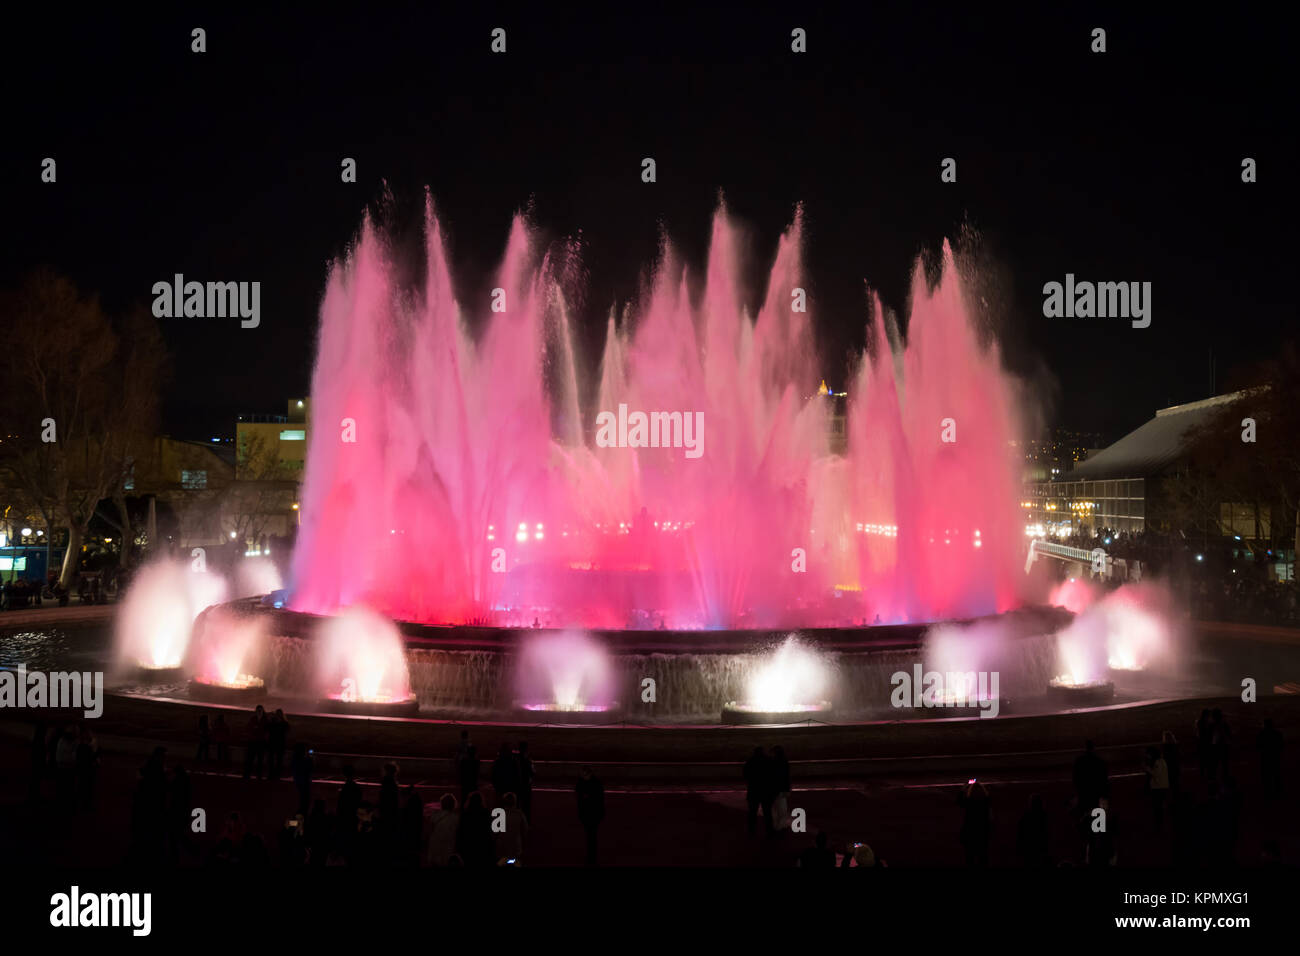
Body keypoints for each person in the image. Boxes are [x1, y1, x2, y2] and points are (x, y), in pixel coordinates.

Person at [957, 780, 992, 867]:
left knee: (970, 859)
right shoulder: (986, 801)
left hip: (969, 833)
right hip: (983, 833)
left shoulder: (969, 802)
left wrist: (964, 787)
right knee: (983, 858)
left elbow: (959, 800)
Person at [456, 791, 494, 868]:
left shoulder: (465, 814)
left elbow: (461, 831)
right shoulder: (486, 813)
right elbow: (489, 831)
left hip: (468, 846)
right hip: (482, 846)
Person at [576, 766, 605, 865]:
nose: (583, 776)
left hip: (592, 814)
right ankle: (591, 856)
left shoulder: (592, 784)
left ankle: (591, 857)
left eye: (584, 775)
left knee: (591, 836)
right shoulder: (587, 783)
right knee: (591, 836)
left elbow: (598, 800)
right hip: (589, 814)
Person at [743, 746, 773, 837]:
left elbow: (746, 774)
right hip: (765, 791)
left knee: (752, 812)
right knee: (767, 813)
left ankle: (751, 831)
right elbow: (772, 774)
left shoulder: (750, 761)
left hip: (754, 790)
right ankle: (769, 830)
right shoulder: (768, 761)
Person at [425, 793, 460, 867]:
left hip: (435, 844)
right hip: (449, 845)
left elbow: (429, 830)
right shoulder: (456, 818)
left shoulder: (435, 816)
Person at [1015, 793, 1050, 866]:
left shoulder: (1026, 816)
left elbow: (1020, 833)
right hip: (1038, 848)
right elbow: (1046, 833)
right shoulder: (1043, 816)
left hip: (1030, 848)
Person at [495, 792, 529, 864]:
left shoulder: (498, 814)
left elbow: (493, 834)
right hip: (516, 849)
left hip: (502, 849)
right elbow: (525, 831)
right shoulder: (520, 814)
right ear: (515, 802)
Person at [1143, 745, 1170, 828]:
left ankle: (1159, 824)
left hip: (1158, 787)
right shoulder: (1162, 761)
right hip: (1163, 786)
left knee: (1158, 807)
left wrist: (1147, 768)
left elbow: (1156, 774)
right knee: (1160, 806)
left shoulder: (1158, 762)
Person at [1257, 718, 1283, 798]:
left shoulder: (1261, 734)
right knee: (1276, 775)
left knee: (1266, 776)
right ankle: (1278, 792)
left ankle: (1267, 793)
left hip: (1265, 757)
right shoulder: (1277, 733)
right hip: (1275, 757)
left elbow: (1258, 746)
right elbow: (1281, 745)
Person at [770, 745, 791, 832]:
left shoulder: (772, 762)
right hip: (781, 789)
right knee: (782, 809)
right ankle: (781, 826)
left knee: (775, 809)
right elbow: (786, 777)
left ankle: (776, 826)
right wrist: (787, 789)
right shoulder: (784, 762)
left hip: (774, 789)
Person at [291, 743, 314, 815]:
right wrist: (310, 758)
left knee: (303, 798)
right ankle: (302, 816)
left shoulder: (295, 759)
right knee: (305, 799)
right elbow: (310, 768)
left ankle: (300, 816)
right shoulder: (304, 760)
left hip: (299, 780)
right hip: (304, 781)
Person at [517, 741, 535, 821]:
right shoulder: (527, 760)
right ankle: (525, 822)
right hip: (525, 785)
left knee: (518, 804)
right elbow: (532, 772)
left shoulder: (516, 759)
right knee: (526, 805)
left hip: (518, 784)